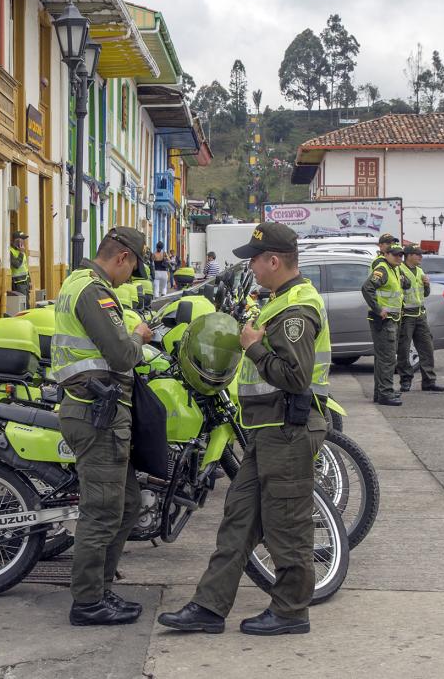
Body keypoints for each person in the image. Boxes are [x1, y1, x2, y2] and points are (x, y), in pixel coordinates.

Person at [158, 222, 330, 637]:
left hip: (288, 430)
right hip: (267, 430)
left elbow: (295, 376)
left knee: (286, 525)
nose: (250, 266)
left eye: (254, 259)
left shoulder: (297, 310)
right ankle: (208, 607)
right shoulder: (278, 300)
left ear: (274, 260)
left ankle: (290, 612)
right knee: (237, 521)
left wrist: (252, 344)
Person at [52, 227, 153, 627]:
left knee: (126, 504)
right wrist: (139, 335)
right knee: (102, 511)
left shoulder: (77, 283)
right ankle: (88, 602)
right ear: (122, 258)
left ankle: (102, 589)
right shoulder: (94, 291)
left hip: (95, 410)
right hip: (96, 415)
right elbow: (121, 354)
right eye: (133, 268)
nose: (130, 276)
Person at [361, 237, 406, 405]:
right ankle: (385, 393)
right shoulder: (383, 269)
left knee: (383, 358)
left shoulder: (393, 269)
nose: (399, 258)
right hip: (383, 321)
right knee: (387, 359)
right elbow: (367, 288)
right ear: (385, 254)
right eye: (395, 255)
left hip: (391, 320)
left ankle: (380, 393)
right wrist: (378, 309)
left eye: (400, 255)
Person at [396, 245, 444, 392]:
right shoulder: (399, 271)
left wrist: (427, 285)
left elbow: (425, 293)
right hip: (406, 315)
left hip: (420, 314)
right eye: (418, 255)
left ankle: (429, 381)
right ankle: (405, 380)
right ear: (409, 255)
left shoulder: (420, 271)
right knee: (404, 350)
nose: (421, 257)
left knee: (427, 348)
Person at [9, 231, 30, 299]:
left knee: (27, 303)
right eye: (22, 239)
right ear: (16, 241)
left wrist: (29, 281)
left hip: (25, 282)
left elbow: (25, 267)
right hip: (18, 283)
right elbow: (16, 265)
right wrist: (21, 253)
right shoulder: (10, 251)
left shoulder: (21, 251)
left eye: (24, 239)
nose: (23, 241)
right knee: (22, 304)